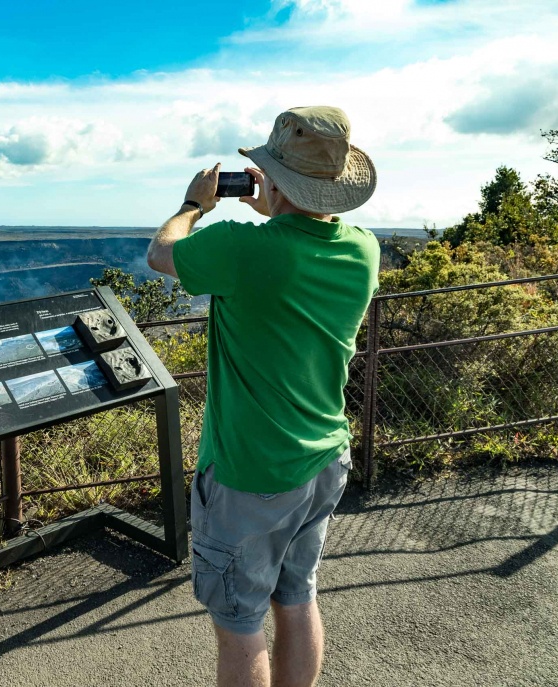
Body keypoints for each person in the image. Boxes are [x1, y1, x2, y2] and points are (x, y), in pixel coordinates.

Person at [146, 106, 380, 687]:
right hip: (324, 457)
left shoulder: (242, 249)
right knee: (296, 597)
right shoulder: (362, 248)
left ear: (274, 176)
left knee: (239, 621)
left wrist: (193, 205)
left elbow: (161, 253)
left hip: (251, 473)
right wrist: (278, 204)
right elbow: (299, 239)